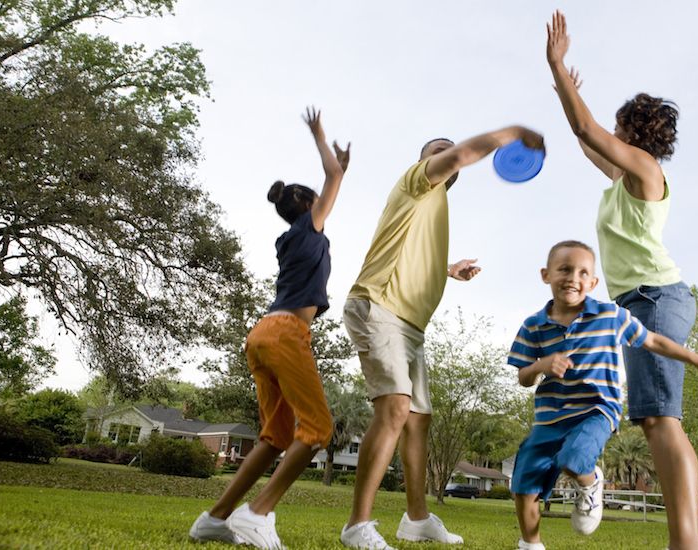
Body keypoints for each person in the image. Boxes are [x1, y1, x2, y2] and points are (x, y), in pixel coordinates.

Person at [545, 10, 698, 550]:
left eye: (619, 125)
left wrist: (557, 66)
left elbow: (589, 130)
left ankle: (684, 542)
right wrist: (563, 88)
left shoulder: (646, 169)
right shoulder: (623, 175)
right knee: (664, 420)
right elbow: (583, 139)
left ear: (634, 131)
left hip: (654, 299)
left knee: (658, 421)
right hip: (647, 301)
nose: (612, 132)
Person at [340, 126, 545, 550]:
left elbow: (412, 256)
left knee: (418, 421)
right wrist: (512, 133)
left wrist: (448, 270)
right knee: (396, 408)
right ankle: (357, 524)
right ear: (425, 161)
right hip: (378, 307)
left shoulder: (435, 205)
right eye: (438, 150)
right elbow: (458, 155)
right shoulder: (417, 181)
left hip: (410, 326)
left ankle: (416, 519)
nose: (447, 154)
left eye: (449, 152)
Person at [508, 241, 698, 550]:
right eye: (564, 270)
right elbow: (523, 378)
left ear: (593, 282)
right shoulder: (533, 326)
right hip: (549, 419)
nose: (573, 278)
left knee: (573, 458)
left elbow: (655, 342)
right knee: (524, 484)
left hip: (596, 411)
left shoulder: (610, 315)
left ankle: (591, 483)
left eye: (583, 272)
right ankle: (530, 545)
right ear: (546, 275)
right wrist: (542, 364)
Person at [188, 107, 350, 549]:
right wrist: (321, 135)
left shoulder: (289, 238)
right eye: (321, 200)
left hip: (261, 335)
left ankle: (214, 518)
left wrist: (336, 173)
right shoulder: (308, 229)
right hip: (284, 335)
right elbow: (333, 174)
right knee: (317, 430)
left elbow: (332, 181)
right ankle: (258, 513)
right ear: (310, 206)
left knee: (276, 435)